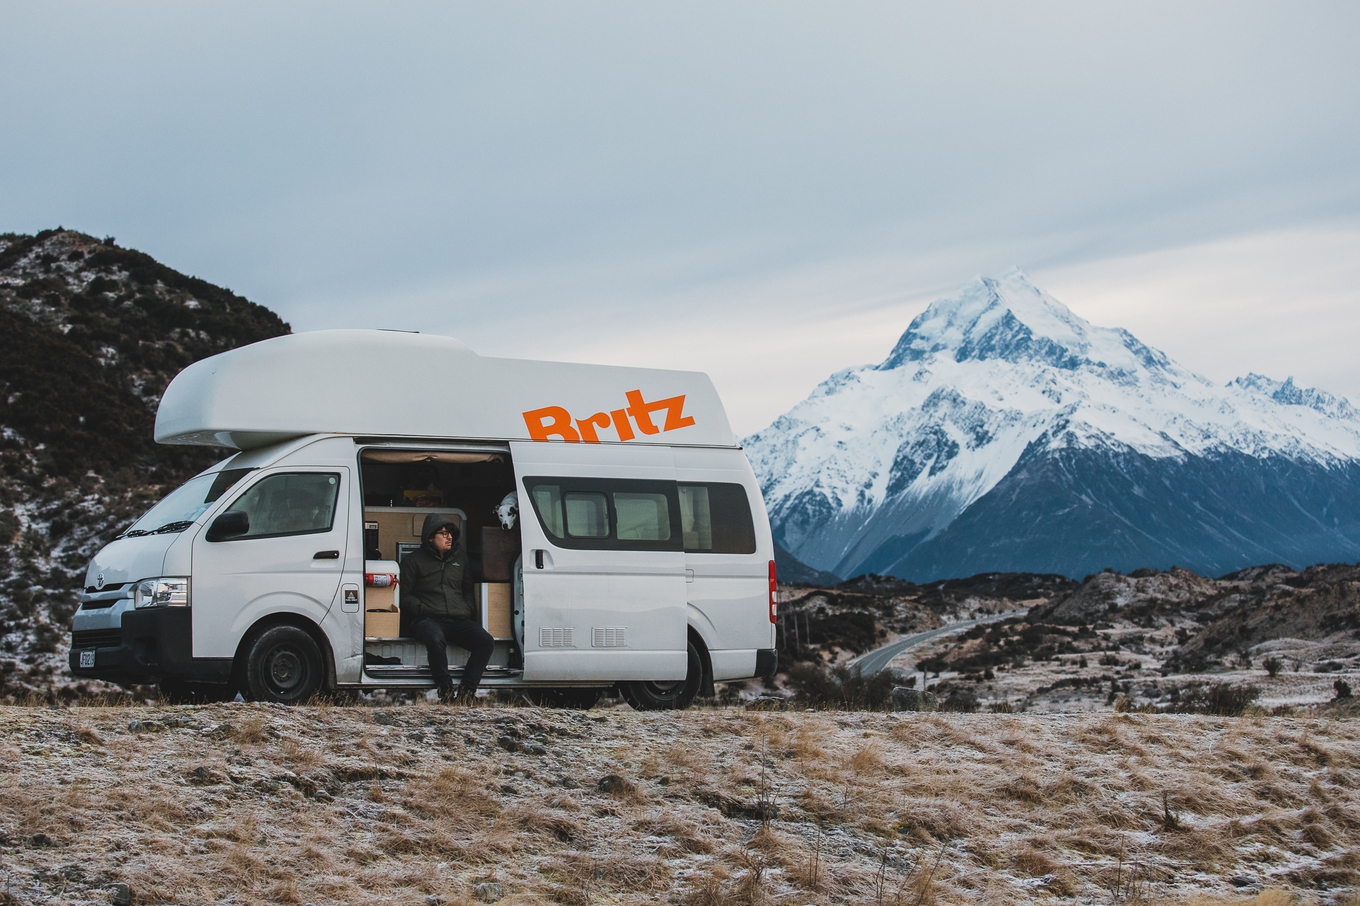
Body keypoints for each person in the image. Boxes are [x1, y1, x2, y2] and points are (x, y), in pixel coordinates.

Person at [400, 513, 495, 702]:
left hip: (458, 619)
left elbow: (468, 588)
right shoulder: (412, 561)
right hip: (428, 619)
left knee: (486, 641)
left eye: (450, 533)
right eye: (443, 533)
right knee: (435, 639)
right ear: (429, 537)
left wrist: (467, 608)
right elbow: (404, 596)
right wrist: (422, 609)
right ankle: (445, 690)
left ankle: (467, 693)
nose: (449, 537)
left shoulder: (461, 559)